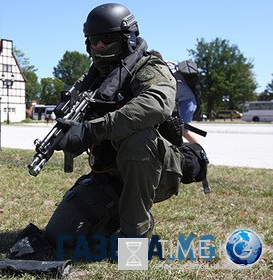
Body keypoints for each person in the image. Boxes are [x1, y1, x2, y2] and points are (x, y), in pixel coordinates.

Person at [43, 3, 182, 247]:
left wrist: (92, 130)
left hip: (156, 170)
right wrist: (70, 129)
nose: (99, 46)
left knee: (138, 139)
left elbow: (156, 104)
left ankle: (135, 237)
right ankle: (116, 216)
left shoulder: (149, 68)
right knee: (60, 235)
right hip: (110, 172)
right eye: (94, 40)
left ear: (127, 37)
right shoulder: (93, 78)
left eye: (106, 39)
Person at [166, 60, 200, 143]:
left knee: (183, 130)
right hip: (180, 102)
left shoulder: (165, 69)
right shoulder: (170, 64)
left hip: (188, 101)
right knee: (174, 129)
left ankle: (200, 152)